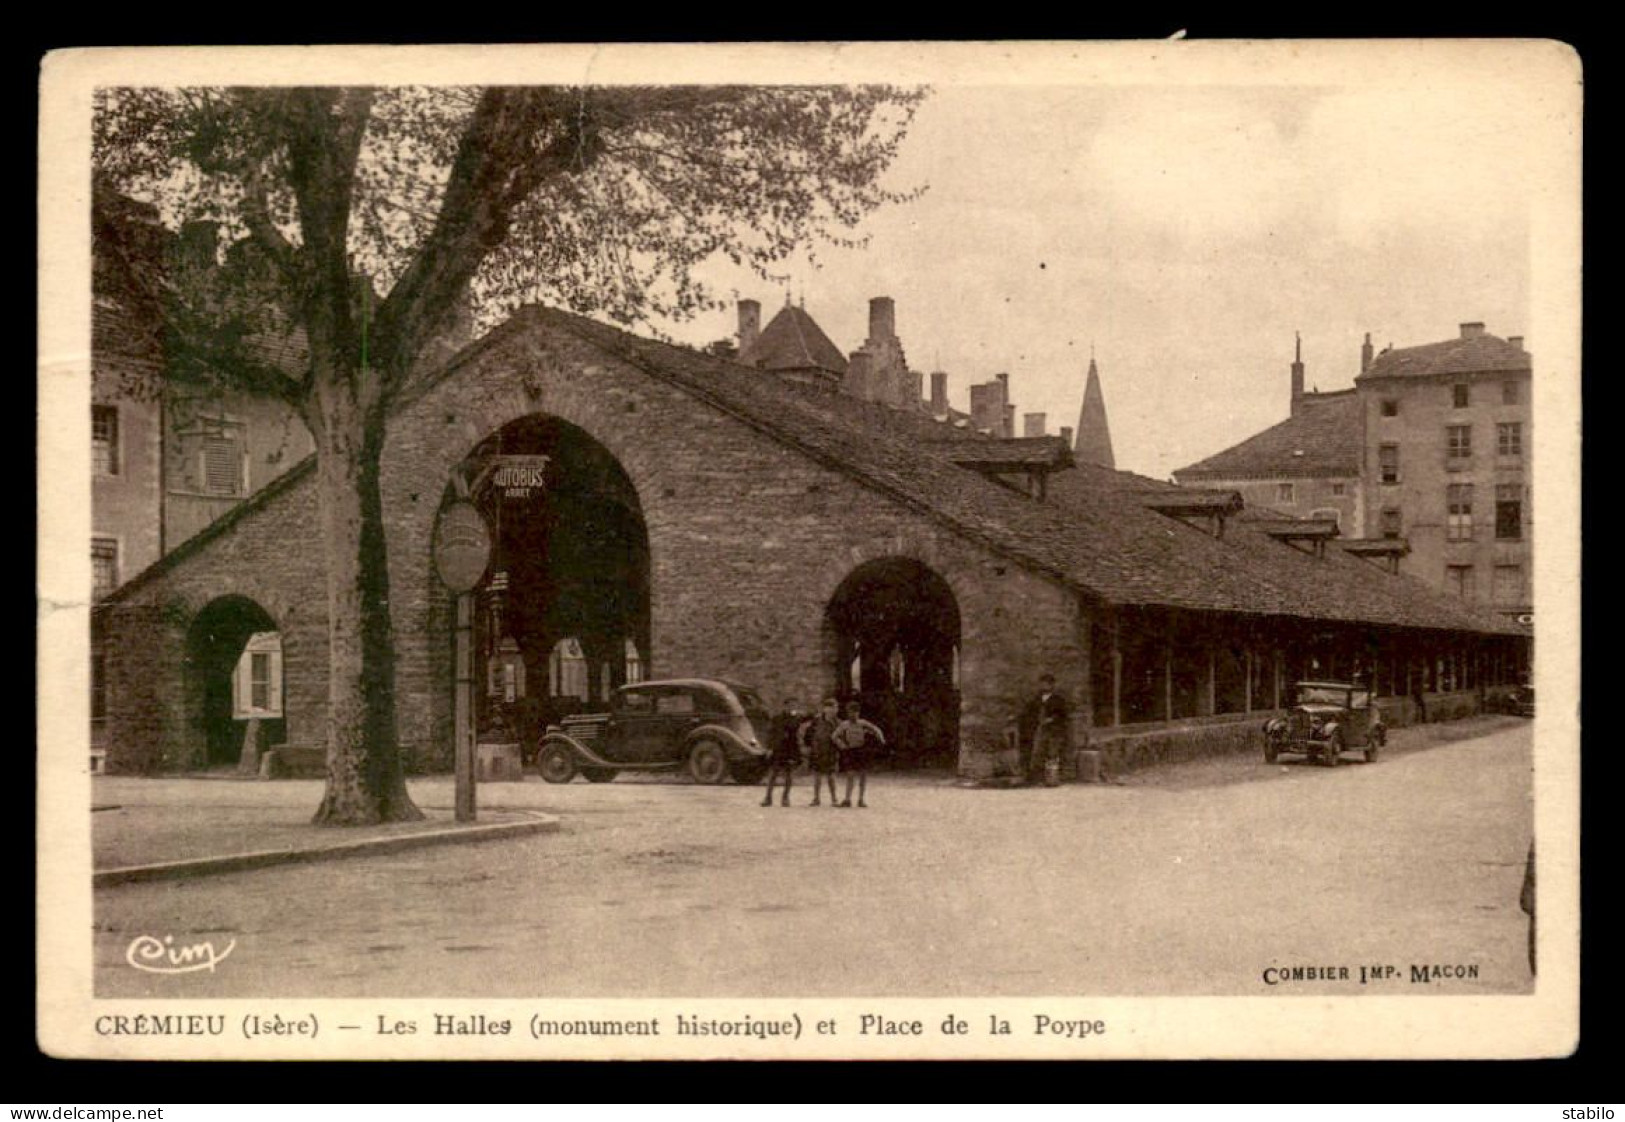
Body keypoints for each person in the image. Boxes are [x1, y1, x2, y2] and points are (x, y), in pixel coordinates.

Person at [1021, 673, 1071, 786]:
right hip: (1040, 730)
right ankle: (1038, 779)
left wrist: (1052, 719)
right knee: (1038, 753)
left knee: (1053, 753)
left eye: (1046, 684)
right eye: (1042, 684)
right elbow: (1030, 713)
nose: (1043, 686)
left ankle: (1052, 779)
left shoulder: (1058, 700)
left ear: (1051, 685)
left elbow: (1063, 715)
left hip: (1054, 731)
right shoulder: (1036, 700)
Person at [834, 699, 885, 808]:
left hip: (861, 751)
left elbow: (876, 729)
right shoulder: (845, 724)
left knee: (863, 776)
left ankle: (861, 799)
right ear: (848, 713)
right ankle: (847, 799)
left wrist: (881, 739)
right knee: (850, 776)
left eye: (856, 712)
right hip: (850, 751)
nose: (854, 714)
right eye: (851, 712)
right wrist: (842, 745)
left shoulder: (863, 723)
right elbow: (834, 736)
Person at [761, 698, 807, 807]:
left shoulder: (796, 719)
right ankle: (768, 798)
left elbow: (806, 719)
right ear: (785, 706)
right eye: (790, 705)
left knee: (788, 774)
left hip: (791, 748)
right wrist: (769, 748)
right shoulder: (777, 719)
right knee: (773, 773)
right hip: (778, 748)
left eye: (794, 706)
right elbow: (771, 733)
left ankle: (785, 798)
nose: (792, 708)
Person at [804, 697, 842, 807]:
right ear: (825, 709)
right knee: (817, 777)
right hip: (818, 751)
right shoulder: (816, 721)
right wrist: (809, 746)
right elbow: (809, 733)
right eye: (830, 707)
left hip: (831, 751)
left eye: (835, 708)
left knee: (831, 776)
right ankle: (816, 798)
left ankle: (834, 799)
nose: (833, 710)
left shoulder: (838, 722)